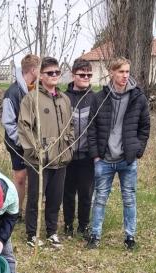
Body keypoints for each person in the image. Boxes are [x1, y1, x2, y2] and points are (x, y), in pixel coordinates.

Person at [86, 57, 150, 250]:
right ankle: (95, 236)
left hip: (127, 159)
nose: (125, 76)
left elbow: (145, 127)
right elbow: (92, 128)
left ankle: (130, 237)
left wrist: (137, 150)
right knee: (99, 199)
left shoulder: (138, 98)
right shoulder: (99, 98)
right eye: (121, 71)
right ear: (112, 73)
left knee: (129, 199)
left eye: (127, 72)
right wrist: (96, 155)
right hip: (104, 159)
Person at [17, 56, 74, 248]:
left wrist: (69, 146)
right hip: (39, 160)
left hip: (61, 158)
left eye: (57, 72)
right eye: (50, 73)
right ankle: (32, 234)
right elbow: (24, 126)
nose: (55, 76)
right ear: (41, 75)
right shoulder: (31, 99)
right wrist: (36, 150)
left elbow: (70, 125)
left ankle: (52, 232)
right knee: (34, 197)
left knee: (55, 198)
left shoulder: (64, 99)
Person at [1, 54, 40, 220]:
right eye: (40, 69)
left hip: (35, 143)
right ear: (33, 70)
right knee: (20, 177)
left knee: (34, 178)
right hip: (17, 144)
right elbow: (8, 123)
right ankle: (16, 212)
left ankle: (31, 212)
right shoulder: (12, 92)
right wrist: (23, 141)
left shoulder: (37, 89)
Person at [62, 58, 96, 240]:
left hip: (87, 155)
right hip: (67, 155)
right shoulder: (63, 98)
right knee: (67, 192)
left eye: (89, 75)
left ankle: (84, 225)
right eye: (82, 75)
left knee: (85, 192)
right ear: (73, 75)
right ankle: (68, 224)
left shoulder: (95, 98)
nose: (86, 78)